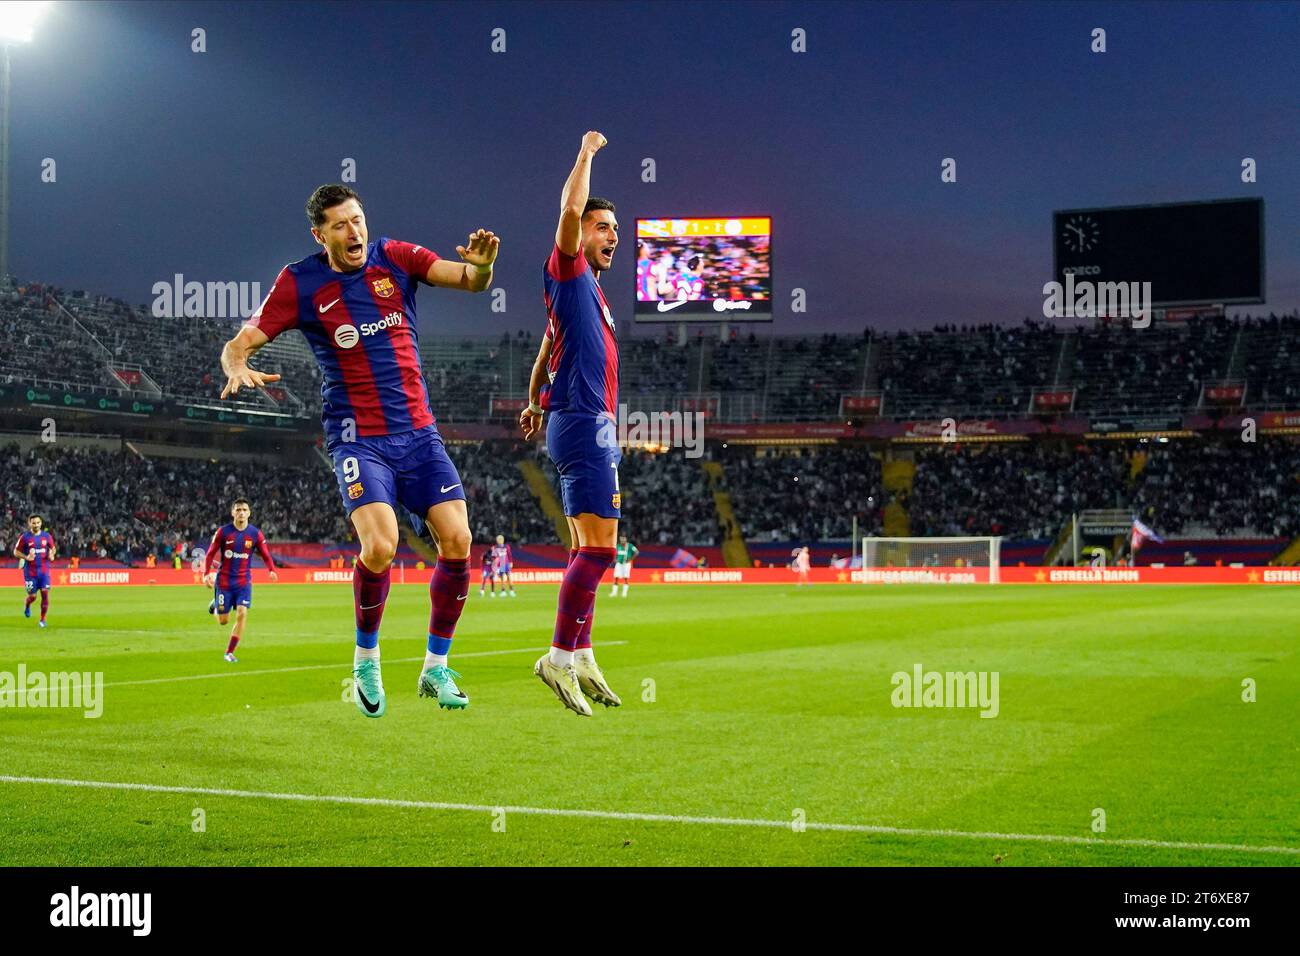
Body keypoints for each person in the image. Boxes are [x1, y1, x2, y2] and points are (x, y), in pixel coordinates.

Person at [219, 183, 498, 718]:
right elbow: (241, 342)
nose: (355, 232)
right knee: (380, 545)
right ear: (319, 234)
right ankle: (366, 657)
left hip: (419, 434)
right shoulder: (300, 282)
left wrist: (482, 268)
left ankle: (435, 667)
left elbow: (466, 279)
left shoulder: (394, 257)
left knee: (459, 538)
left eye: (359, 219)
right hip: (358, 437)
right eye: (341, 224)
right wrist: (236, 366)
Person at [520, 131, 621, 715]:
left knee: (589, 545)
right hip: (584, 423)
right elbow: (568, 209)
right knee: (602, 552)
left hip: (585, 421)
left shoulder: (590, 295)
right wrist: (584, 153)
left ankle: (581, 650)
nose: (611, 236)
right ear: (582, 233)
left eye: (613, 230)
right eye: (602, 226)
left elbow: (548, 345)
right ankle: (558, 657)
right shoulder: (568, 266)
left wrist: (534, 396)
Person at [202, 497, 278, 662]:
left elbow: (265, 553)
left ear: (249, 513)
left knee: (242, 613)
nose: (241, 513)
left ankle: (229, 652)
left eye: (244, 510)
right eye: (238, 510)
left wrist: (271, 569)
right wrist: (205, 574)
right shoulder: (223, 532)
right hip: (223, 582)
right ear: (232, 513)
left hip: (243, 582)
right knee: (223, 621)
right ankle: (215, 606)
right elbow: (210, 553)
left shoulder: (255, 534)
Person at [14, 514, 55, 628]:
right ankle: (27, 605)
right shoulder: (25, 537)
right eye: (34, 523)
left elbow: (53, 548)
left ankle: (42, 620)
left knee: (45, 593)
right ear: (29, 524)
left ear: (41, 523)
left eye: (38, 522)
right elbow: (16, 552)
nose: (36, 525)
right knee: (33, 597)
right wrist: (26, 557)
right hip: (30, 572)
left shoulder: (47, 536)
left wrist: (52, 554)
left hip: (44, 571)